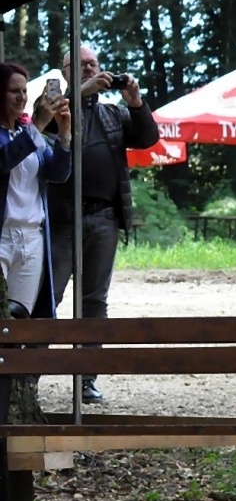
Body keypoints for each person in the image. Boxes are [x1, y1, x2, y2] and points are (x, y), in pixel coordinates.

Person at [46, 44, 160, 403]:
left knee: (94, 300)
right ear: (65, 73)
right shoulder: (52, 104)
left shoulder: (113, 113)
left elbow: (147, 140)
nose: (89, 69)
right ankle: (26, 373)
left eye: (93, 63)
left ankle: (87, 376)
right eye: (79, 65)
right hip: (61, 219)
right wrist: (79, 93)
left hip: (103, 217)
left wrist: (136, 101)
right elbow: (42, 126)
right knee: (48, 297)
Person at [0, 62, 73, 318]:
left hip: (32, 236)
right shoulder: (30, 132)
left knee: (22, 318)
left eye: (24, 91)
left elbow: (58, 174)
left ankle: (19, 359)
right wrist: (38, 125)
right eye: (13, 91)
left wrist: (65, 136)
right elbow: (3, 160)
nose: (21, 98)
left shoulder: (27, 132)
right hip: (2, 236)